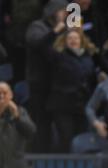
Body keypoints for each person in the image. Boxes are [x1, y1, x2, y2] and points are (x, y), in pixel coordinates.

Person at [25, 0, 68, 153]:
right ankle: (38, 162)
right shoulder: (37, 26)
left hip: (58, 86)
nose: (65, 14)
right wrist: (55, 32)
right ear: (53, 11)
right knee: (41, 125)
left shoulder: (65, 30)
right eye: (62, 11)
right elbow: (37, 43)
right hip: (40, 85)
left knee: (62, 126)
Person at [46, 28, 98, 153]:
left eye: (76, 38)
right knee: (66, 138)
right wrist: (54, 31)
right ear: (64, 41)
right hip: (63, 104)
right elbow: (44, 47)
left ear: (81, 41)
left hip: (82, 104)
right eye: (70, 38)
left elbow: (92, 79)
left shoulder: (88, 58)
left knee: (81, 138)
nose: (73, 41)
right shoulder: (58, 56)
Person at [0, 82, 36, 168]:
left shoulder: (20, 112)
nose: (1, 96)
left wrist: (17, 117)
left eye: (4, 93)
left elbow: (31, 132)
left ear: (11, 95)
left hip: (13, 167)